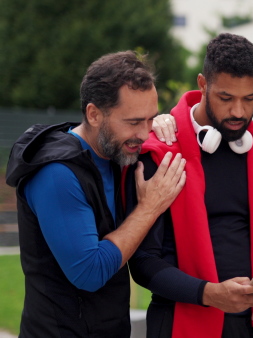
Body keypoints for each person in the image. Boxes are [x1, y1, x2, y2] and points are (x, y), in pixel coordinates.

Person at [125, 33, 253, 338]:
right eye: (226, 98)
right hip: (179, 324)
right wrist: (209, 294)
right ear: (203, 85)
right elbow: (142, 262)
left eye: (250, 99)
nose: (239, 113)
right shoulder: (160, 155)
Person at [4, 51, 187, 337]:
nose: (143, 133)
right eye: (133, 121)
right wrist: (150, 207)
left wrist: (166, 123)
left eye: (150, 119)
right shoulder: (56, 173)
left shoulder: (118, 151)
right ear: (94, 114)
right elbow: (89, 272)